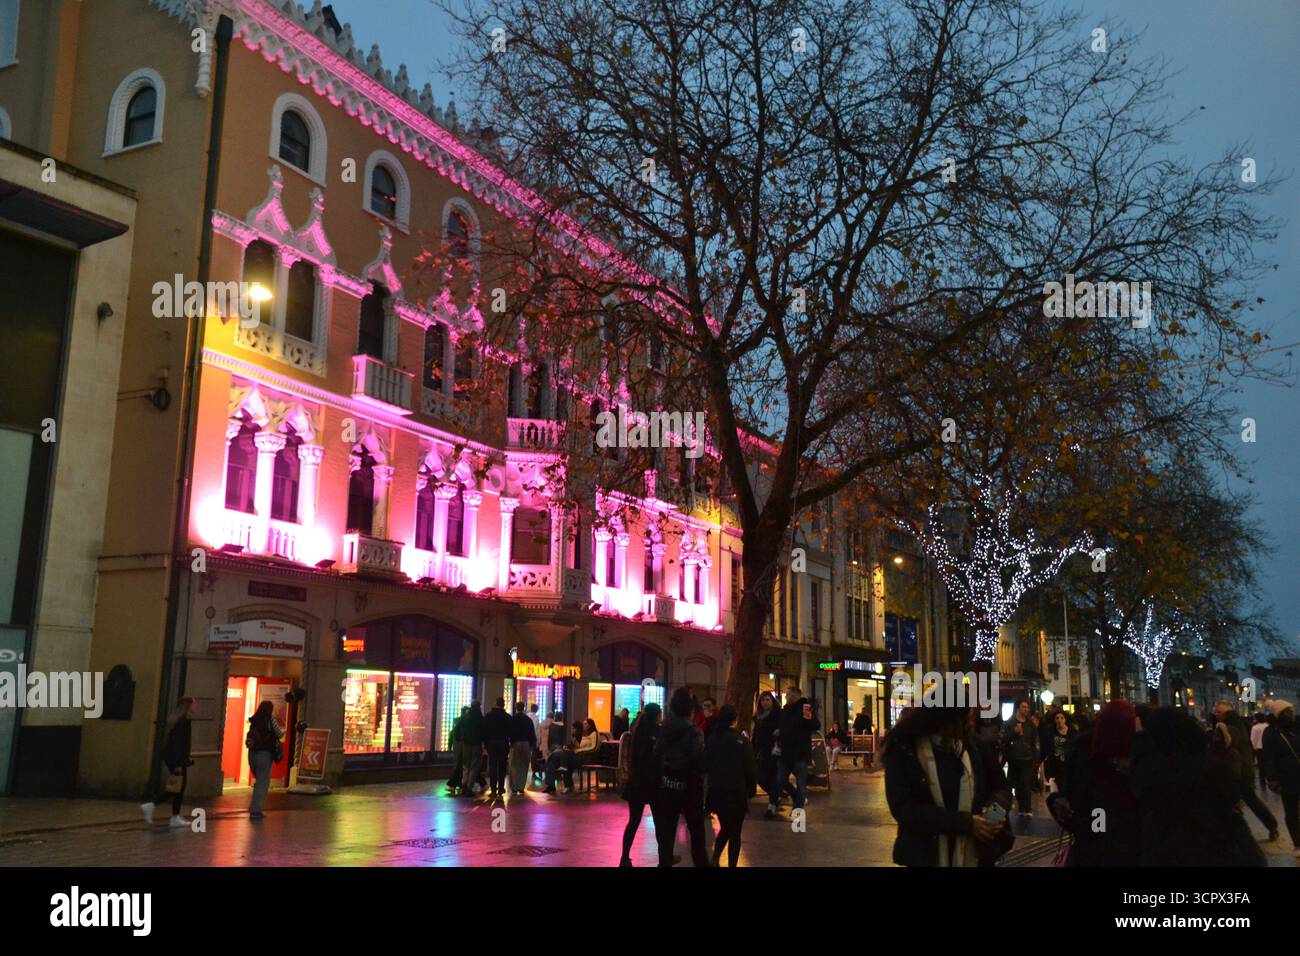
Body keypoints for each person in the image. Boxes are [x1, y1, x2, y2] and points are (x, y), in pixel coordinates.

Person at [881, 706, 1011, 866]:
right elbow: (904, 808)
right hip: (926, 855)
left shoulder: (974, 747)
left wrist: (993, 812)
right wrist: (966, 824)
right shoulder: (906, 751)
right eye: (965, 718)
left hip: (975, 856)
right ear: (945, 720)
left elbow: (1001, 786)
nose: (971, 723)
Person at [1130, 706, 1254, 866]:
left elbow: (1141, 786)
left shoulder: (1157, 771)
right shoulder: (1210, 764)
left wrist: (1140, 740)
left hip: (1170, 851)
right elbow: (1232, 797)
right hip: (1216, 849)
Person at [1046, 700, 1142, 866]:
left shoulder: (1084, 759)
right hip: (1121, 850)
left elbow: (1076, 813)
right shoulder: (1140, 760)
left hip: (1095, 850)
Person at [652, 687, 709, 866]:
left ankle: (664, 862)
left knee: (667, 829)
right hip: (690, 785)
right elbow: (697, 759)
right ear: (690, 709)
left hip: (668, 783)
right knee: (696, 830)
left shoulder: (665, 729)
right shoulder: (693, 732)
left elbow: (657, 752)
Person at [1210, 700, 1279, 840]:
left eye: (1218, 712)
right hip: (1239, 768)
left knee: (1246, 800)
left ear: (1226, 713)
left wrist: (1218, 733)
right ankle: (1266, 827)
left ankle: (1268, 827)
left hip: (1238, 769)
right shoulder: (1237, 723)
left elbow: (1230, 742)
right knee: (1241, 800)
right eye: (1215, 712)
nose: (1216, 715)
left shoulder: (1230, 725)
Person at [706, 704, 757, 867]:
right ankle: (729, 863)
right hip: (736, 791)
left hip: (717, 790)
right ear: (735, 719)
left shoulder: (713, 739)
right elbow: (749, 768)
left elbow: (705, 763)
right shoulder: (742, 741)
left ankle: (715, 857)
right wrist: (751, 788)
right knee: (734, 831)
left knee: (727, 827)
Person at [141, 695, 195, 828]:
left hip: (176, 758)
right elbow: (178, 743)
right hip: (177, 760)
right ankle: (153, 805)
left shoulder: (180, 720)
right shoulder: (182, 722)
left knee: (178, 787)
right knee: (177, 787)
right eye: (194, 704)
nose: (196, 707)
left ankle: (174, 816)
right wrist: (178, 764)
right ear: (187, 706)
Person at [619, 703, 661, 866]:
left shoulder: (636, 733)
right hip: (652, 783)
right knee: (659, 822)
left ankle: (624, 856)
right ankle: (664, 856)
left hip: (636, 784)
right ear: (656, 715)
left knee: (634, 821)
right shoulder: (656, 733)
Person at [1261, 700, 1300, 859]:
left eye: (1291, 711)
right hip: (1287, 777)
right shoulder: (1271, 732)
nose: (1291, 714)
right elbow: (1268, 757)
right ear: (1279, 715)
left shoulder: (1297, 729)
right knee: (1291, 812)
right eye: (1287, 712)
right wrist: (1272, 778)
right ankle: (1298, 844)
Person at [774, 686, 819, 814]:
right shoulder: (785, 710)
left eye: (790, 695)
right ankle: (796, 798)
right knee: (781, 779)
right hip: (785, 753)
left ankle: (797, 810)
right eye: (786, 695)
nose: (787, 698)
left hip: (800, 753)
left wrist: (809, 718)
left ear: (797, 696)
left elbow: (815, 725)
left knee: (801, 783)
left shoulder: (805, 708)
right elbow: (781, 726)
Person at [999, 699, 1039, 818]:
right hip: (1013, 757)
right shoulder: (1009, 723)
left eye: (1027, 707)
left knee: (1025, 784)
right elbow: (1002, 739)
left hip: (1027, 758)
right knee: (1014, 784)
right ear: (1018, 708)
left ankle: (1026, 808)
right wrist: (1014, 732)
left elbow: (1033, 741)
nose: (1026, 709)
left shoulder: (1030, 724)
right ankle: (1017, 806)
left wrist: (1035, 756)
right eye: (1023, 707)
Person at [245, 700, 283, 820]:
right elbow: (279, 734)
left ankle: (253, 806)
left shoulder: (254, 720)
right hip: (265, 754)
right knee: (262, 783)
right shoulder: (270, 720)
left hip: (252, 754)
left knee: (258, 781)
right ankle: (256, 810)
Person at [752, 691, 781, 818]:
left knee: (772, 776)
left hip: (773, 751)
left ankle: (772, 805)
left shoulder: (777, 715)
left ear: (772, 701)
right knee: (761, 778)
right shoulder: (759, 717)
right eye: (763, 700)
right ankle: (775, 796)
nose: (765, 702)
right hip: (761, 751)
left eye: (767, 700)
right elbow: (756, 734)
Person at [482, 697, 512, 798]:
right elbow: (510, 732)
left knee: (493, 766)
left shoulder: (488, 716)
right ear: (503, 705)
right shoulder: (507, 717)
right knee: (502, 766)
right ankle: (501, 788)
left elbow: (484, 731)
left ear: (495, 704)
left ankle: (493, 789)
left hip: (491, 744)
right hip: (503, 743)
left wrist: (486, 744)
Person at [508, 701, 537, 795]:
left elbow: (510, 732)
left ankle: (514, 787)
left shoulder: (512, 719)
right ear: (524, 708)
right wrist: (532, 745)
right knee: (524, 766)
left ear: (516, 708)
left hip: (515, 743)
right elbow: (532, 734)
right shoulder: (528, 720)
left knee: (513, 765)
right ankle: (521, 787)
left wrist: (510, 742)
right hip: (526, 744)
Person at [1043, 710, 1074, 788]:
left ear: (1065, 719)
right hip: (1055, 763)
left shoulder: (1072, 731)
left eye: (1062, 718)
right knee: (1057, 785)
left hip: (1068, 762)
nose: (1059, 720)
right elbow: (1047, 746)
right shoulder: (1051, 731)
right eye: (1057, 718)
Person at [459, 700, 485, 796]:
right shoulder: (480, 718)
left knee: (466, 766)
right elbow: (484, 731)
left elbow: (458, 727)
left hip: (466, 744)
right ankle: (469, 788)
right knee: (474, 766)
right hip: (477, 744)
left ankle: (464, 785)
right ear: (478, 707)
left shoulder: (465, 716)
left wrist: (460, 739)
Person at [446, 705, 469, 794]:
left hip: (458, 747)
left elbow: (452, 734)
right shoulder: (466, 721)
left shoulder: (457, 721)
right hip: (464, 747)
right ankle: (460, 783)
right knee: (463, 766)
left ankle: (456, 783)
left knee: (458, 765)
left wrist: (449, 745)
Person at [1250, 711, 1270, 791]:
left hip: (1259, 749)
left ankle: (1263, 783)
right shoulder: (1268, 726)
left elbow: (1253, 739)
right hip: (1268, 748)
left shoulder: (1255, 728)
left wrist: (1253, 747)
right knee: (1269, 764)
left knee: (1261, 767)